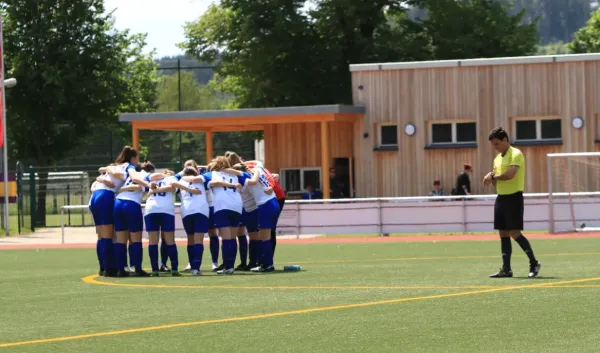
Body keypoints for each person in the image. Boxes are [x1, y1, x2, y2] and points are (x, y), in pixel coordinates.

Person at [483, 127, 541, 278]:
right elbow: (498, 181)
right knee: (503, 232)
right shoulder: (497, 159)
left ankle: (534, 263)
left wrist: (494, 177)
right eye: (493, 145)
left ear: (505, 140)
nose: (495, 148)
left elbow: (510, 175)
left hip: (514, 197)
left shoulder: (516, 154)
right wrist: (491, 178)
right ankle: (506, 269)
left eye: (497, 144)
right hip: (501, 198)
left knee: (515, 233)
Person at [91, 146, 141, 277]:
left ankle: (103, 267)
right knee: (108, 235)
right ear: (133, 158)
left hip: (95, 197)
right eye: (137, 158)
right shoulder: (129, 167)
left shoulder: (112, 166)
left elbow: (98, 175)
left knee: (101, 235)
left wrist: (105, 174)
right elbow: (123, 176)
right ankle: (109, 268)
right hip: (106, 196)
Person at [208, 156, 248, 275]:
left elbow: (198, 179)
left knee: (226, 238)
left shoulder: (212, 174)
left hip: (222, 206)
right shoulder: (235, 175)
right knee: (232, 237)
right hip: (236, 206)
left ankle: (227, 266)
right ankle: (230, 266)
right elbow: (248, 177)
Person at [113, 162, 153, 277]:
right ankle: (138, 269)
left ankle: (120, 269)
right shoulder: (147, 175)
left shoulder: (131, 174)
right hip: (131, 205)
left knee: (121, 240)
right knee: (136, 239)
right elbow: (141, 187)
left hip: (118, 203)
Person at [172, 166, 208, 276]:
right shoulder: (202, 179)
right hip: (201, 210)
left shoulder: (180, 181)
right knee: (199, 240)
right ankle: (196, 269)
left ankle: (192, 266)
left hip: (187, 211)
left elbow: (172, 181)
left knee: (190, 239)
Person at [144, 168, 180, 277]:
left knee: (153, 241)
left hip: (151, 210)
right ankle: (174, 269)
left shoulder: (152, 180)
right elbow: (172, 187)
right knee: (169, 240)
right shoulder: (172, 178)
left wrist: (154, 190)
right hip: (165, 210)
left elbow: (147, 195)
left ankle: (155, 270)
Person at [246, 164, 279, 272]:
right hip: (273, 201)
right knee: (264, 236)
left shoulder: (252, 173)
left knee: (264, 236)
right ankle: (266, 263)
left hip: (265, 204)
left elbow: (254, 181)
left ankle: (267, 265)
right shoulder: (259, 168)